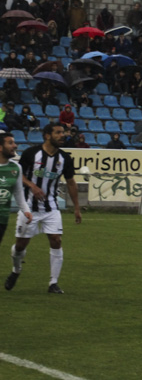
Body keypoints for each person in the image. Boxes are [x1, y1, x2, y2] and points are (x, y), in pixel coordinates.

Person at [6, 124, 81, 294]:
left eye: (63, 133)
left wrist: (77, 207)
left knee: (56, 240)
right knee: (20, 246)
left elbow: (71, 182)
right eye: (58, 133)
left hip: (51, 207)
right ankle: (16, 270)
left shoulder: (65, 158)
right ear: (47, 135)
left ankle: (53, 283)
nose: (63, 135)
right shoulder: (31, 154)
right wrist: (31, 185)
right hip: (29, 207)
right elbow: (19, 174)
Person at [0, 134, 30, 247]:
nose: (15, 146)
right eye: (10, 143)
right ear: (0, 147)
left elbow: (18, 192)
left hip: (2, 218)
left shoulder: (16, 168)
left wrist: (26, 210)